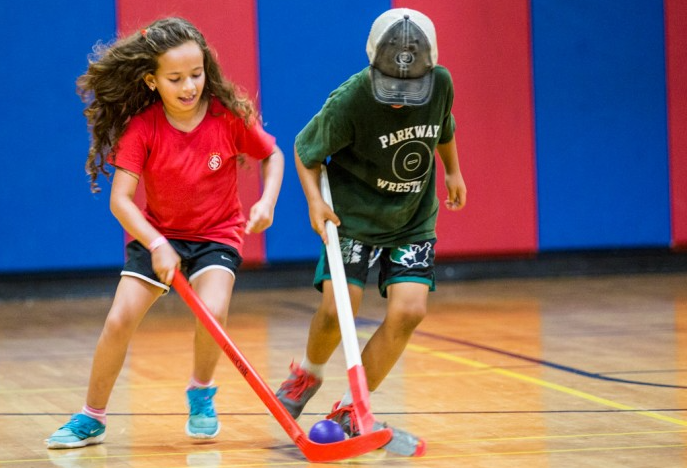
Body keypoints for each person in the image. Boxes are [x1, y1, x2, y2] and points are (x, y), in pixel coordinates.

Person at [46, 17, 284, 449]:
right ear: (152, 81)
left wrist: (266, 201)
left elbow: (272, 155)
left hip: (216, 235)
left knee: (213, 312)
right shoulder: (144, 128)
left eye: (197, 74)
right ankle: (92, 416)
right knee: (119, 319)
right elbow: (121, 200)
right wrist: (157, 243)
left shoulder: (227, 116)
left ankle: (201, 392)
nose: (189, 86)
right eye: (176, 78)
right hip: (159, 234)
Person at [274, 8, 466, 436]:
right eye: (390, 87)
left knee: (410, 311)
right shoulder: (350, 101)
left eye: (410, 89)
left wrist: (452, 171)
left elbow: (444, 127)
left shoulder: (442, 84)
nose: (399, 98)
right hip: (353, 215)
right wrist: (314, 203)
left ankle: (350, 407)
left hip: (412, 217)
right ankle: (308, 374)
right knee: (336, 309)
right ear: (372, 63)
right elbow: (305, 152)